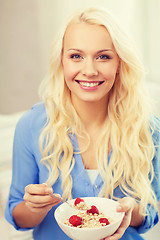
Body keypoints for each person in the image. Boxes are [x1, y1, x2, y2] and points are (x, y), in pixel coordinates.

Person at [5, 7, 160, 240]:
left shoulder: (148, 127)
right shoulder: (31, 125)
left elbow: (150, 214)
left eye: (103, 56)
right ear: (62, 61)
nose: (89, 70)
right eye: (76, 56)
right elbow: (17, 215)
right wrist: (33, 207)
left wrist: (131, 211)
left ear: (119, 63)